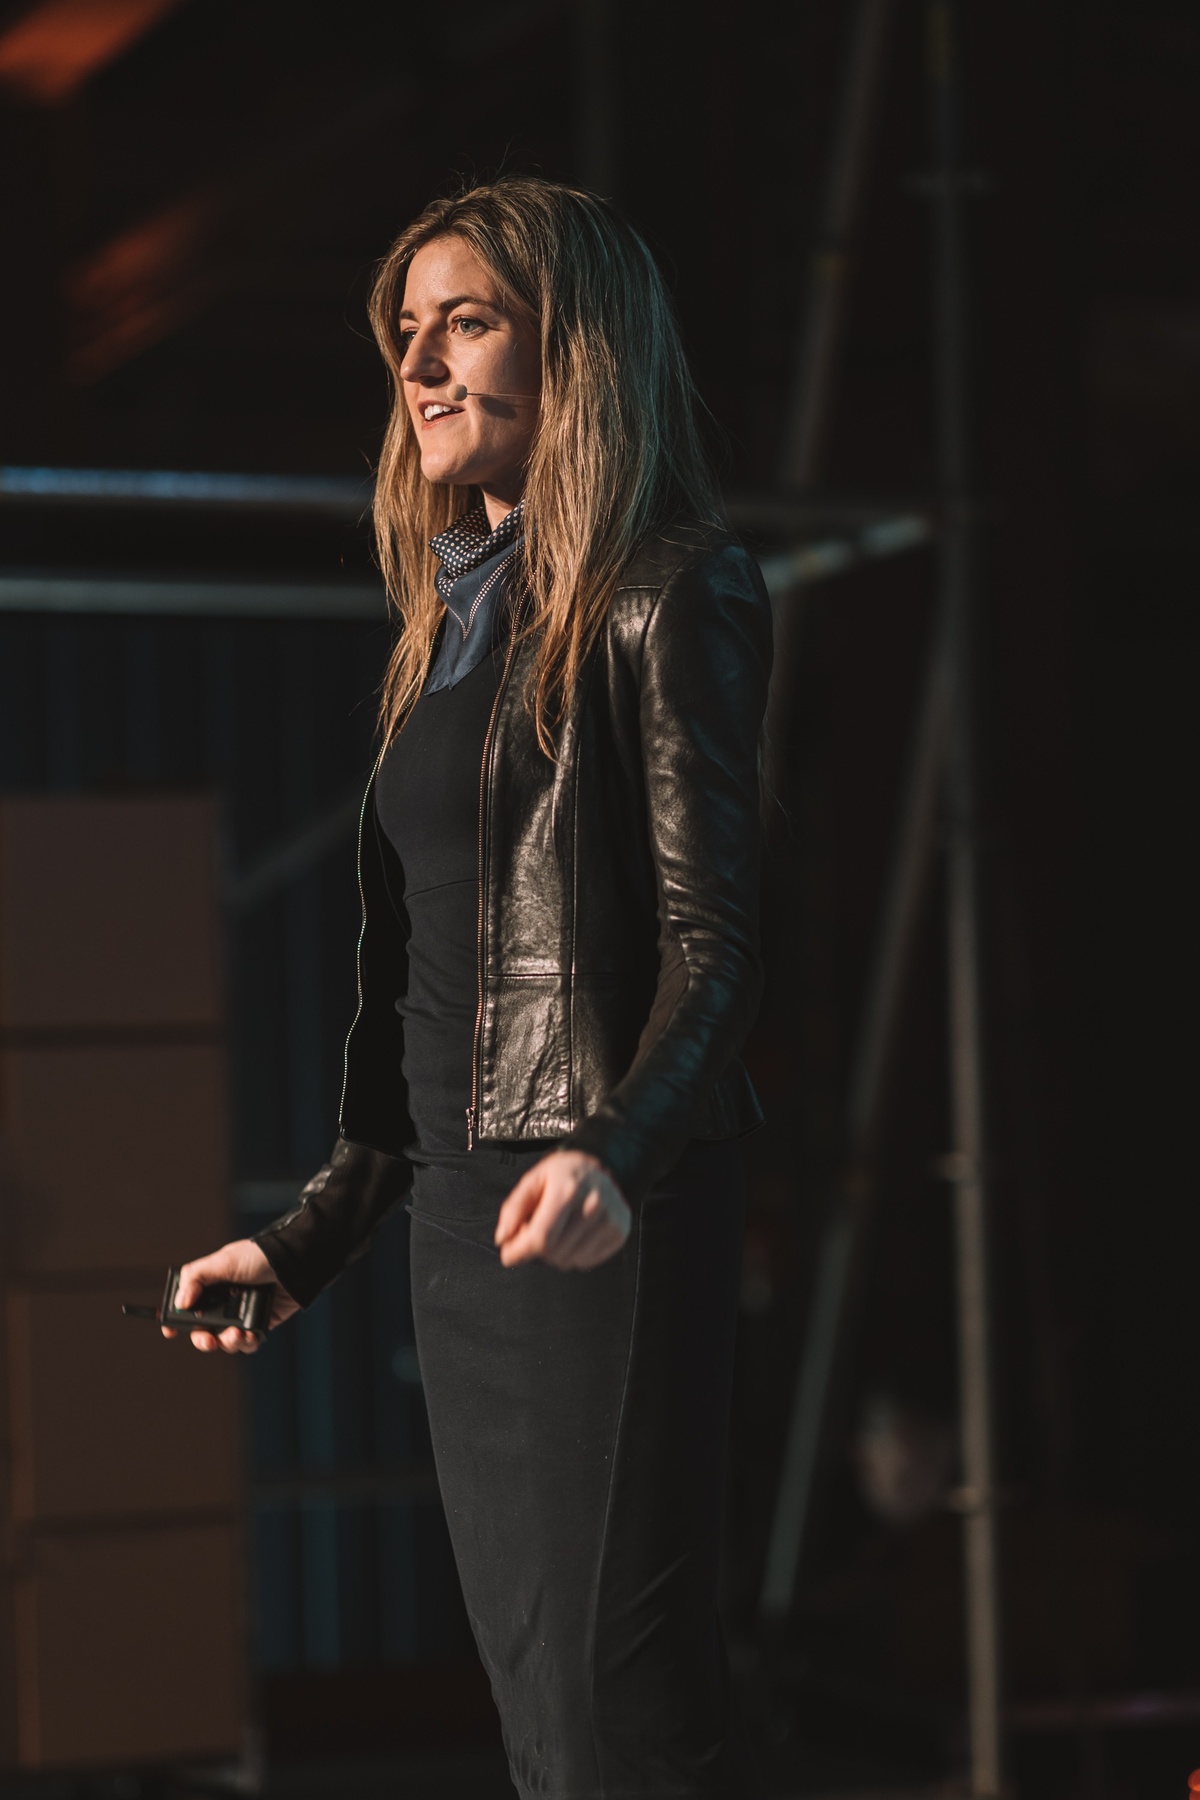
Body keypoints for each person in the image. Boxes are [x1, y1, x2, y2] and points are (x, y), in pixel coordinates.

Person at [169, 176, 773, 1800]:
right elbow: (415, 997)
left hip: (595, 1211)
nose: (422, 366)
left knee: (622, 1712)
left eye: (469, 322)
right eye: (408, 334)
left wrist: (615, 1155)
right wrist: (311, 1239)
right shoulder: (449, 627)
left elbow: (717, 945)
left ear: (575, 347)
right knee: (541, 1721)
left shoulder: (667, 590)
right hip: (460, 1224)